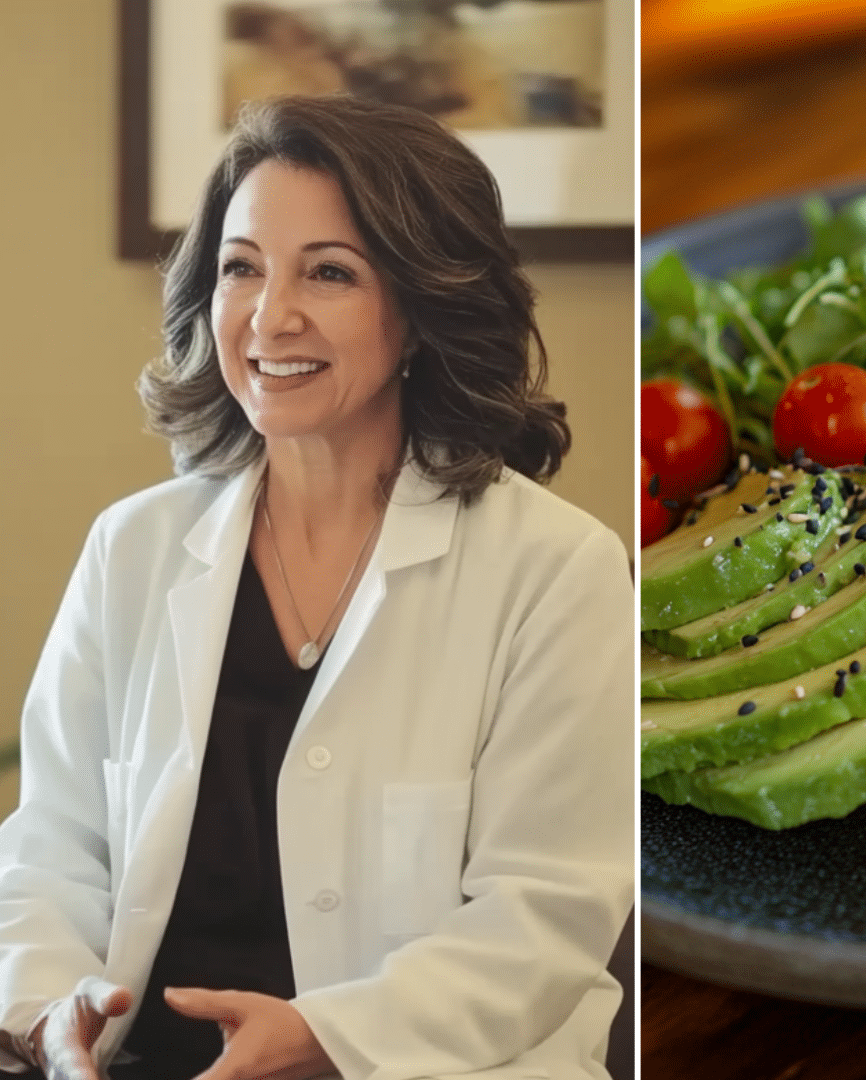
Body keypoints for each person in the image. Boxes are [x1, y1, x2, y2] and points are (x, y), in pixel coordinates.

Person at [0, 95, 632, 1080]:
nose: (270, 315)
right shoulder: (131, 549)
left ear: (423, 310)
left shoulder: (557, 571)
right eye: (241, 267)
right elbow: (50, 844)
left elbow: (543, 922)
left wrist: (324, 1039)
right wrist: (51, 1010)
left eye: (329, 272)